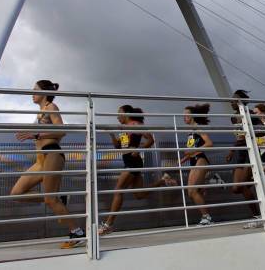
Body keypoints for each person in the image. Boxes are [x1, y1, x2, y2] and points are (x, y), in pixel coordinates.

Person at [11, 80, 85, 249]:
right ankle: (58, 198)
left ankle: (77, 232)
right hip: (40, 161)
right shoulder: (40, 113)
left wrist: (36, 135)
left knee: (50, 199)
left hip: (51, 153)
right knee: (17, 193)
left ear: (44, 93)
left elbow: (61, 130)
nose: (32, 93)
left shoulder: (51, 107)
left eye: (35, 90)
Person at [98, 105, 176, 235]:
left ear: (126, 114)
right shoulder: (123, 128)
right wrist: (111, 133)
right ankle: (163, 180)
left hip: (134, 162)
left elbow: (151, 139)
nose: (117, 117)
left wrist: (139, 149)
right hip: (128, 161)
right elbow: (119, 146)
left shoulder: (136, 124)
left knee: (118, 190)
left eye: (119, 114)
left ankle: (108, 224)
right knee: (139, 195)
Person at [226, 90, 260, 219]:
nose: (231, 101)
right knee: (236, 188)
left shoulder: (251, 114)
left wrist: (250, 134)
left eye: (234, 99)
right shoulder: (233, 117)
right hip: (240, 153)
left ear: (241, 101)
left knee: (243, 185)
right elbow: (239, 137)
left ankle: (257, 216)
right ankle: (257, 214)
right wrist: (231, 151)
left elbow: (262, 132)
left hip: (251, 153)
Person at [180, 103, 214, 226]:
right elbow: (193, 150)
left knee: (193, 190)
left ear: (193, 116)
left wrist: (192, 151)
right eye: (183, 115)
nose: (184, 117)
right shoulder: (190, 131)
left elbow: (209, 143)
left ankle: (207, 218)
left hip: (201, 159)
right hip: (193, 160)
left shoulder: (198, 127)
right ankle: (211, 180)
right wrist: (183, 159)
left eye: (186, 115)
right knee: (191, 192)